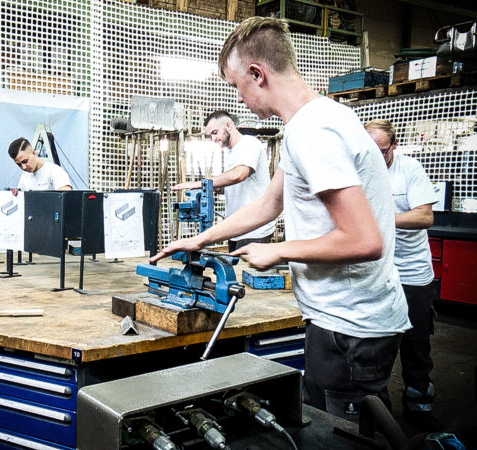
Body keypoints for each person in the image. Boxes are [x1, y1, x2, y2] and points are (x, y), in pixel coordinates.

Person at [150, 17, 410, 421]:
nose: (239, 100)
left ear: (258, 74)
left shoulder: (314, 131)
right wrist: (201, 240)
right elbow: (269, 205)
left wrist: (278, 251)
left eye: (238, 86)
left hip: (352, 326)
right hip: (342, 318)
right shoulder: (311, 121)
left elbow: (364, 241)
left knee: (345, 436)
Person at [365, 119, 440, 429]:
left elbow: (425, 216)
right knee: (373, 346)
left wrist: (384, 218)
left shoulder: (409, 169)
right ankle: (376, 413)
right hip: (376, 274)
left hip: (412, 276)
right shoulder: (361, 169)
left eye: (380, 151)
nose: (374, 157)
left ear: (394, 146)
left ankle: (419, 408)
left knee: (415, 346)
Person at [172, 110, 276, 251]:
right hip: (236, 229)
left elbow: (239, 175)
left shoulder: (249, 143)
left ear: (228, 125)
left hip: (254, 229)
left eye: (215, 132)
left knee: (245, 272)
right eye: (210, 135)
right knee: (233, 271)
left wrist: (202, 183)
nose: (213, 138)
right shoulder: (231, 152)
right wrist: (210, 188)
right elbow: (231, 186)